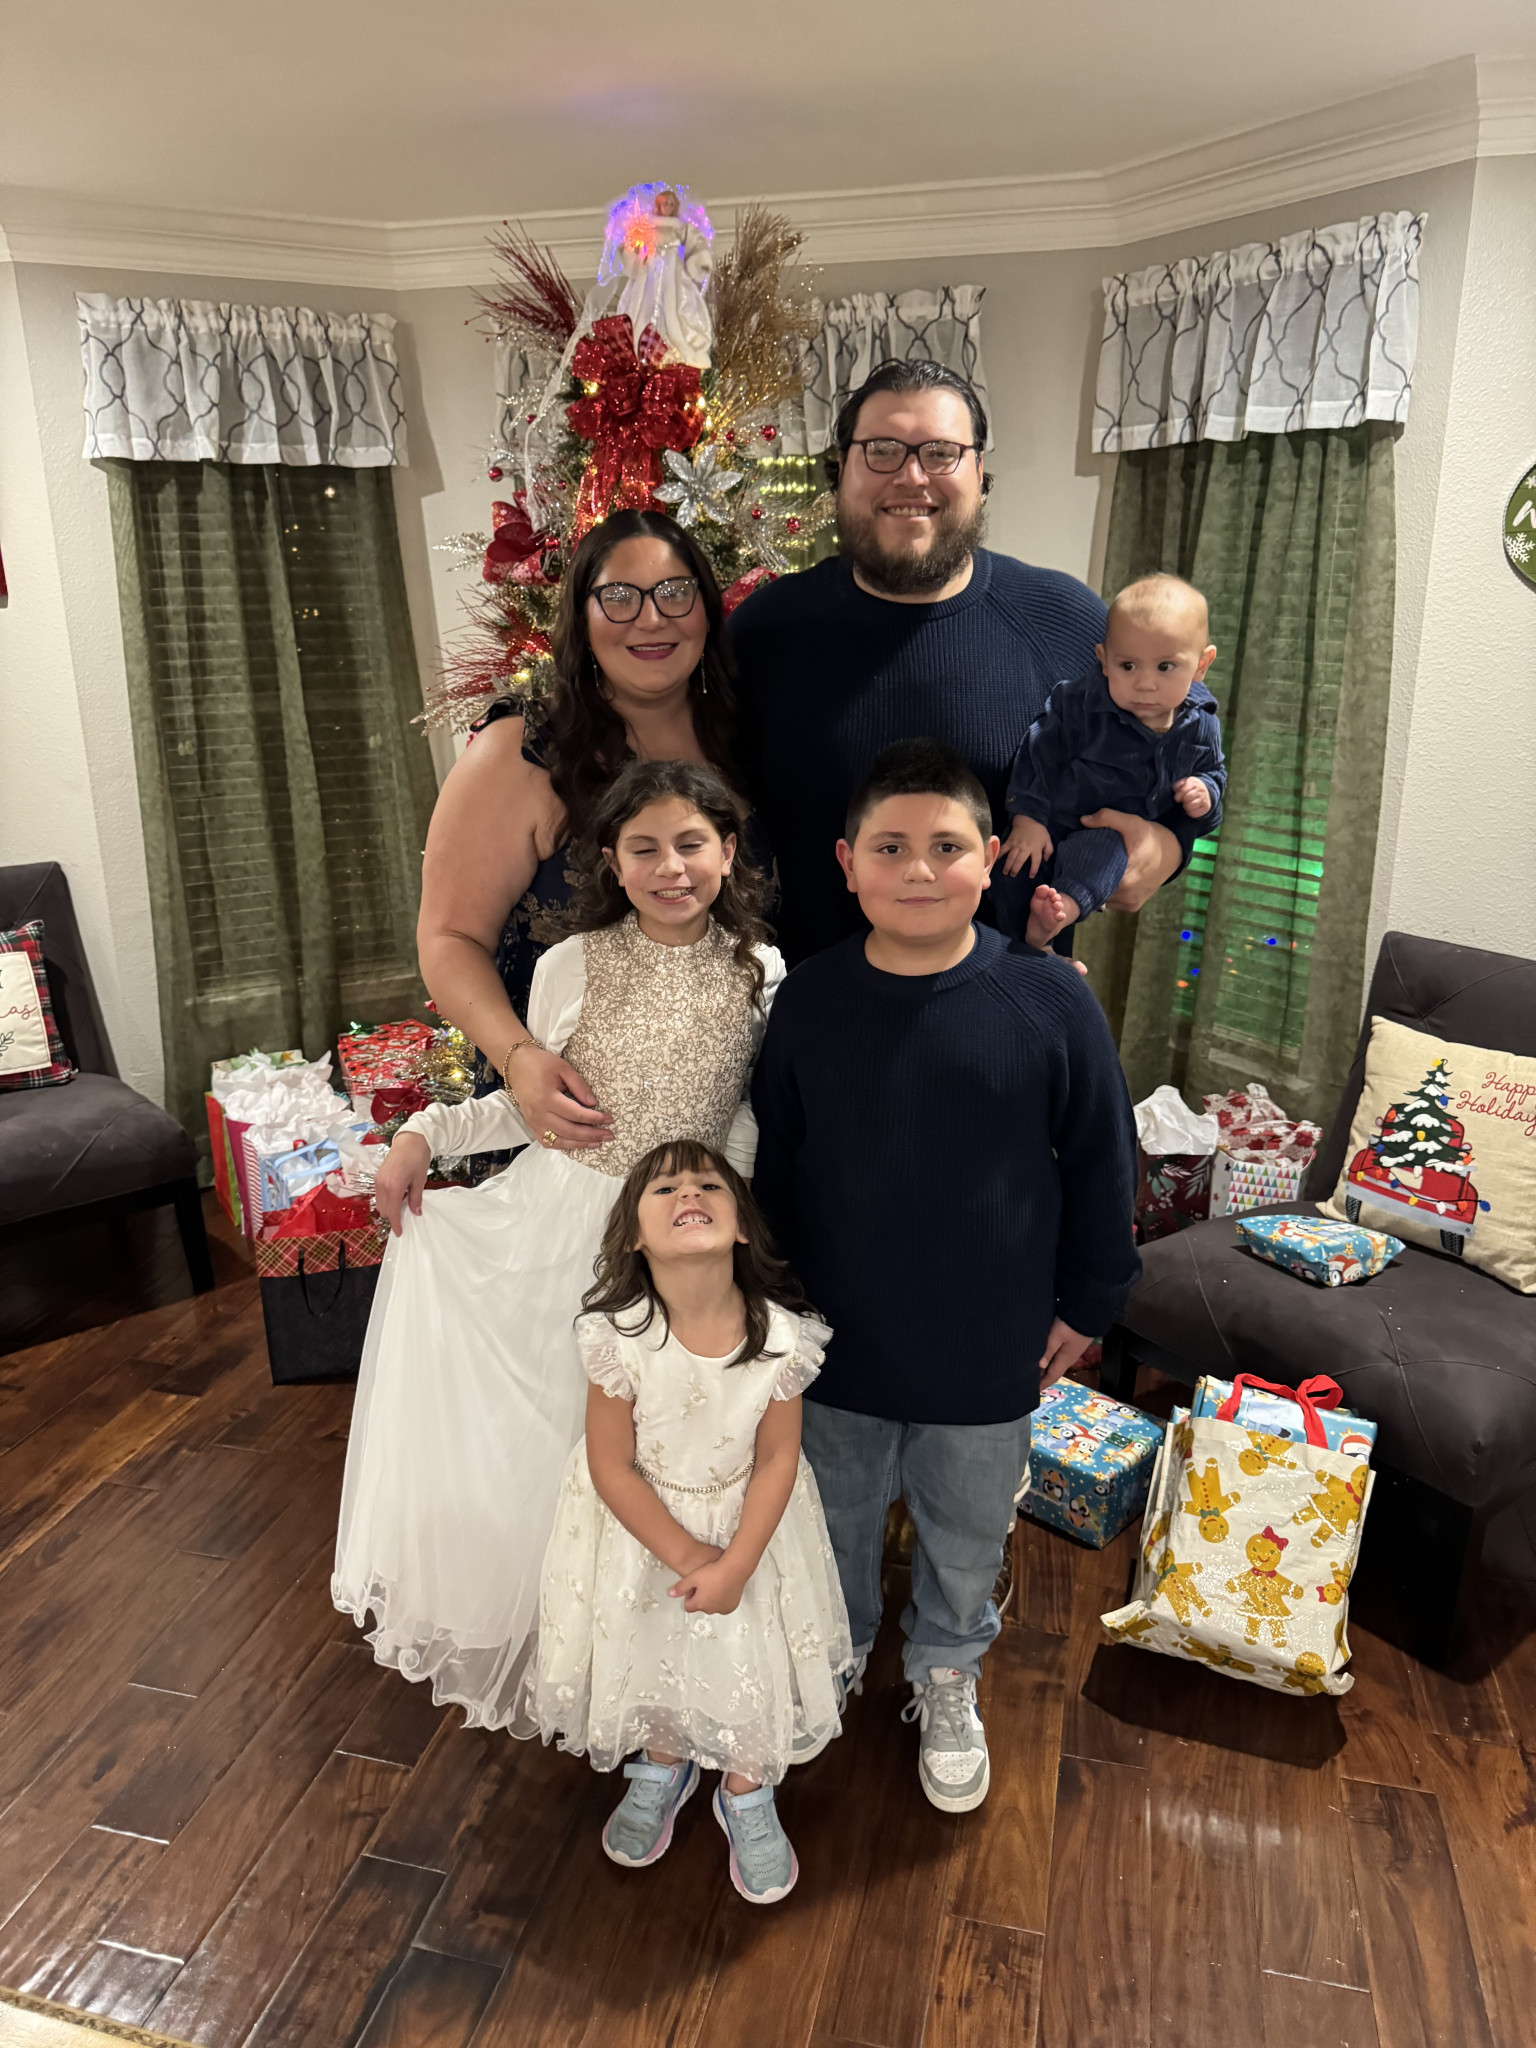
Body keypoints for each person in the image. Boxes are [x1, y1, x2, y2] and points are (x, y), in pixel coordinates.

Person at [333, 761, 785, 1730]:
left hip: (681, 1247)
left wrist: (736, 1240)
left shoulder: (763, 970)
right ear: (612, 863)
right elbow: (531, 1101)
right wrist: (423, 1135)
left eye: (691, 844)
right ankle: (570, 1639)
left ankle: (658, 1643)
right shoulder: (572, 964)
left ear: (728, 851)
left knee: (670, 1448)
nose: (671, 867)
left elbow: (741, 1116)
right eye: (644, 849)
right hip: (564, 1228)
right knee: (565, 1440)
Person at [749, 739, 1139, 1813]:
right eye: (890, 847)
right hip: (835, 1333)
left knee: (968, 1524)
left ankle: (948, 1665)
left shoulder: (1049, 1002)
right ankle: (837, 1646)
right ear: (846, 863)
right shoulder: (809, 1002)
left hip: (989, 1335)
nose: (919, 869)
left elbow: (1104, 1161)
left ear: (990, 859)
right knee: (832, 1512)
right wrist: (769, 1300)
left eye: (947, 846)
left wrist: (1090, 1300)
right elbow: (778, 1161)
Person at [728, 359, 1204, 965]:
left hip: (1010, 1005)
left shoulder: (1067, 621)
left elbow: (1186, 737)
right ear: (841, 469)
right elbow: (699, 796)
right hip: (804, 1004)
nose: (911, 476)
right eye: (881, 451)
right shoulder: (763, 630)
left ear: (980, 474)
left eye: (940, 453)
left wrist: (1168, 845)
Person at [519, 1140, 851, 1905]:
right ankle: (663, 1760)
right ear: (635, 1236)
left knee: (748, 1647)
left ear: (742, 1225)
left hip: (752, 1528)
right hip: (645, 1528)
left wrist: (735, 1562)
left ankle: (746, 1782)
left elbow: (778, 1458)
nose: (688, 1194)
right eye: (664, 1189)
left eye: (708, 1184)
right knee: (655, 1643)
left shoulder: (782, 1337)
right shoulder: (618, 1337)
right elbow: (611, 1465)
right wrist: (688, 1554)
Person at [416, 507, 746, 1155]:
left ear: (707, 611)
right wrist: (519, 1060)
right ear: (581, 619)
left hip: (721, 1131)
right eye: (618, 597)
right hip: (567, 1130)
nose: (651, 619)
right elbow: (449, 938)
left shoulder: (748, 747)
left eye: (675, 592)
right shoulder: (521, 752)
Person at [1001, 573, 1226, 947]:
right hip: (1052, 821)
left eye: (1165, 666)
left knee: (1101, 859)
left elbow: (1213, 775)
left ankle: (1061, 916)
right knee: (1014, 868)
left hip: (1111, 839)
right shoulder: (1081, 703)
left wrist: (1205, 792)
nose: (1145, 684)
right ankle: (1029, 949)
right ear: (1104, 660)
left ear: (1202, 665)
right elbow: (1039, 753)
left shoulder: (1201, 725)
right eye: (1128, 666)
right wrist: (1028, 817)